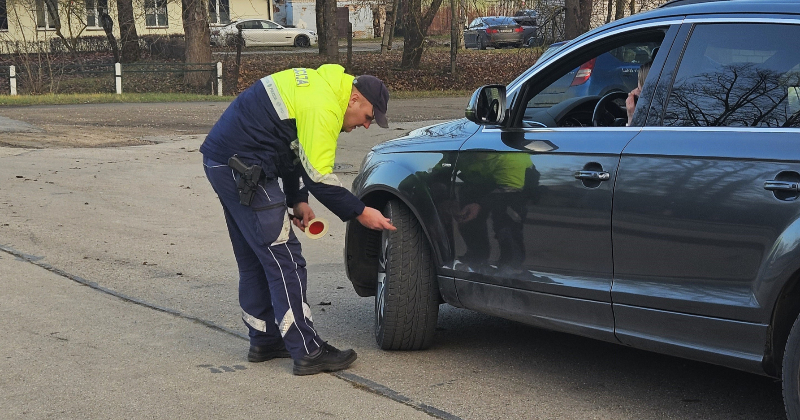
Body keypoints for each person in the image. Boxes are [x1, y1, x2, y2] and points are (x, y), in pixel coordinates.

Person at [200, 64, 396, 376]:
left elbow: (292, 148)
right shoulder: (325, 106)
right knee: (286, 259)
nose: (367, 125)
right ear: (355, 99)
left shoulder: (319, 87)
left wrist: (297, 199)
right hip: (245, 168)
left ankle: (265, 339)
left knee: (257, 256)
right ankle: (307, 351)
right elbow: (320, 177)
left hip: (224, 162)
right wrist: (360, 212)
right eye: (369, 117)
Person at [626, 60, 652, 126]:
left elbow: (634, 135)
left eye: (638, 80)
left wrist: (631, 115)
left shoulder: (652, 115)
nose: (634, 90)